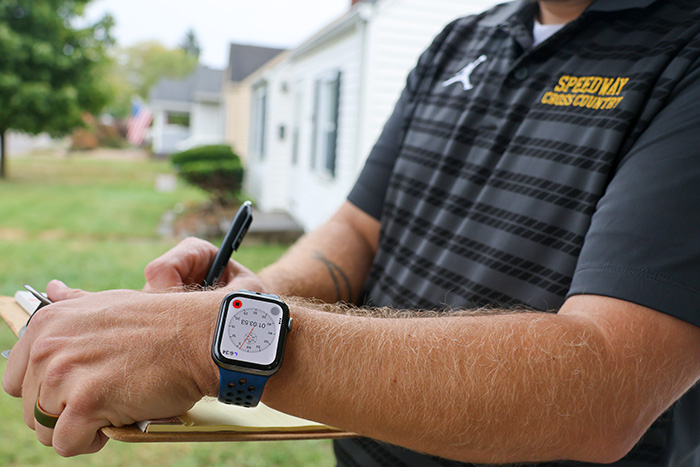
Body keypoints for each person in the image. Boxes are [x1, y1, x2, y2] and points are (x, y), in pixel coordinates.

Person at [5, 0, 700, 464]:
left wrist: (207, 339)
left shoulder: (685, 53)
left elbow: (604, 384)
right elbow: (356, 234)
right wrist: (257, 298)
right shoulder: (461, 42)